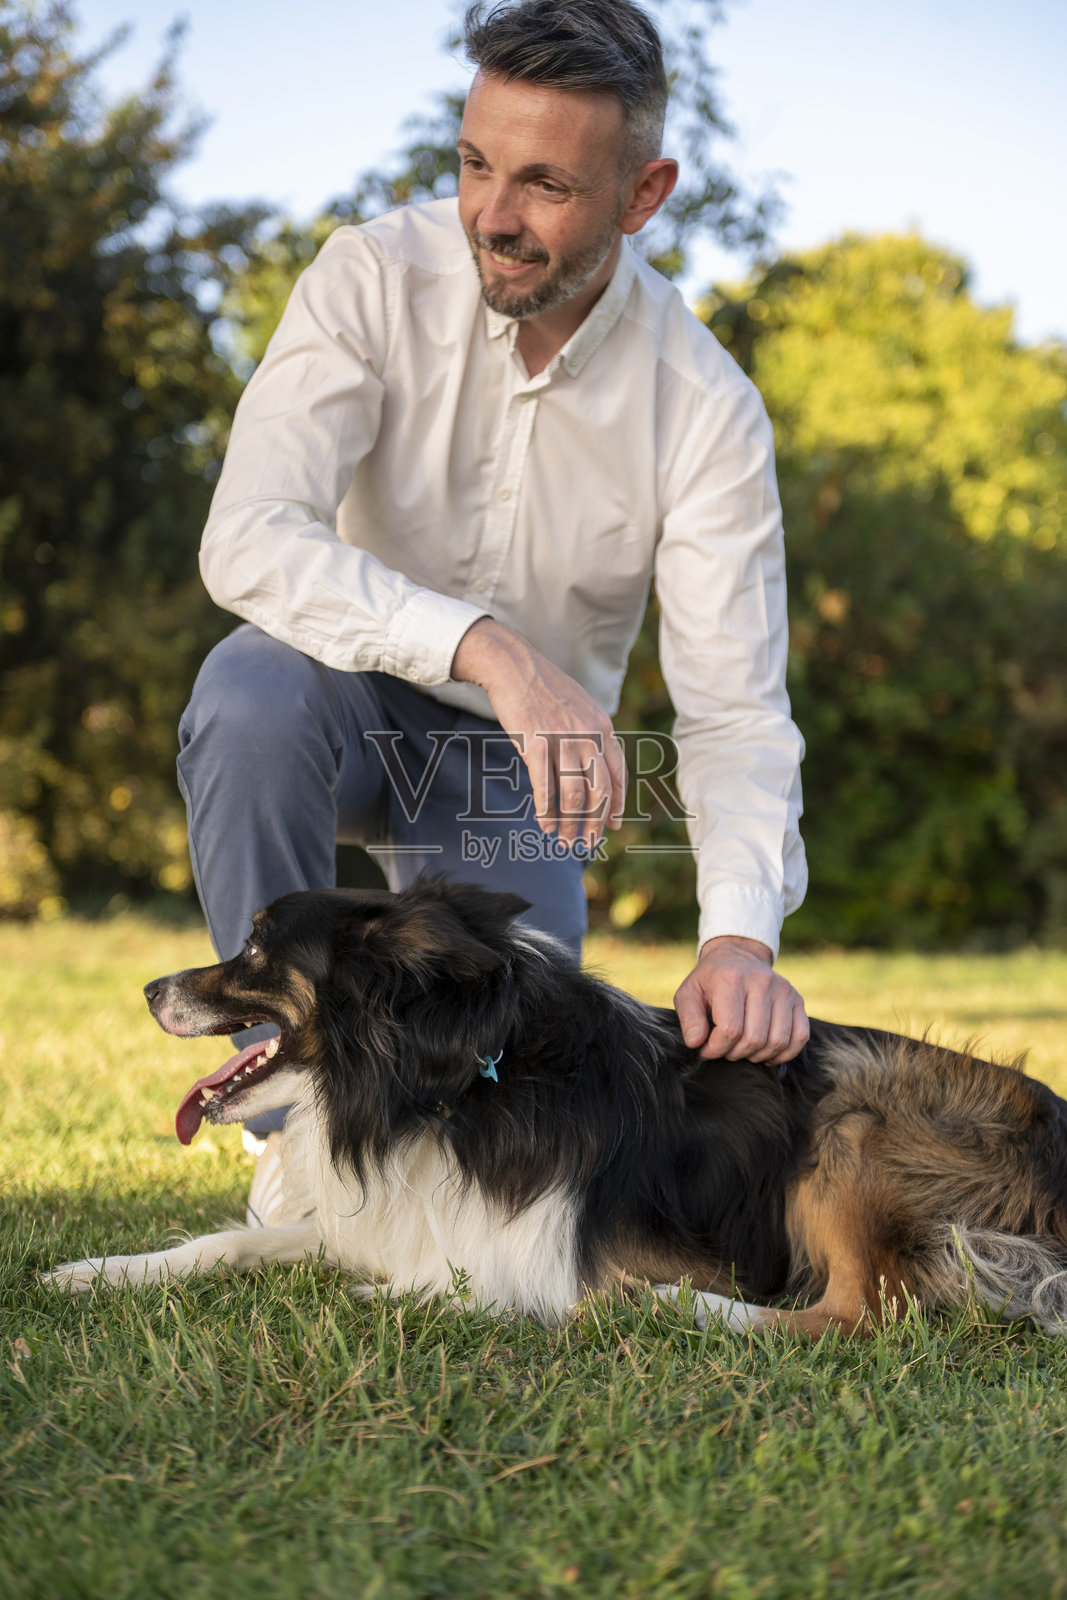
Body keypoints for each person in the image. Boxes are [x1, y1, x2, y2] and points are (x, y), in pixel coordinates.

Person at [176, 0, 810, 1210]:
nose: (493, 216)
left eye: (543, 184)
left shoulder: (705, 406)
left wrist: (737, 935)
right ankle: (283, 1125)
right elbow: (249, 536)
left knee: (511, 1076)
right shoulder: (369, 275)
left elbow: (733, 709)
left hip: (512, 776)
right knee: (245, 692)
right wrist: (490, 649)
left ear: (642, 194)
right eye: (473, 164)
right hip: (339, 697)